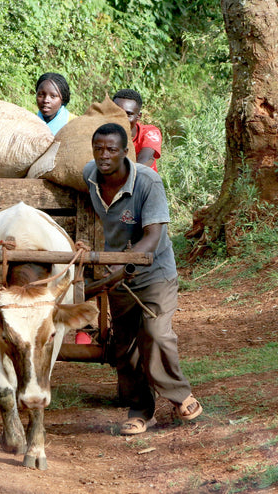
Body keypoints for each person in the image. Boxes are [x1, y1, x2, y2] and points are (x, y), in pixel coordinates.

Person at [83, 123, 202, 435]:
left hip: (154, 274)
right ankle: (140, 411)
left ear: (126, 152)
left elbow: (152, 238)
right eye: (98, 149)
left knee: (155, 333)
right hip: (117, 274)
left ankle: (179, 395)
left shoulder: (148, 181)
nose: (103, 155)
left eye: (111, 149)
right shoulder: (89, 176)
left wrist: (121, 268)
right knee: (125, 346)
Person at [112, 89, 162, 172]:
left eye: (128, 114)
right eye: (117, 113)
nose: (121, 119)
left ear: (138, 116)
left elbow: (145, 158)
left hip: (143, 181)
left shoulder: (149, 132)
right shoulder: (103, 133)